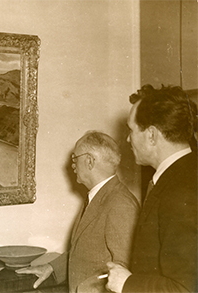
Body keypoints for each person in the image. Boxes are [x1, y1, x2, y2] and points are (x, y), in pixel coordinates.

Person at [17, 131, 139, 292]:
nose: (73, 165)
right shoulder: (99, 196)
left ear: (89, 161)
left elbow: (124, 269)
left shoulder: (120, 204)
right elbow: (87, 253)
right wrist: (51, 267)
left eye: (75, 158)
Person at [106, 84, 198, 293]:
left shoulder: (179, 191)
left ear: (152, 135)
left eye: (131, 130)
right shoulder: (185, 173)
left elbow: (184, 288)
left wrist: (126, 283)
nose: (128, 139)